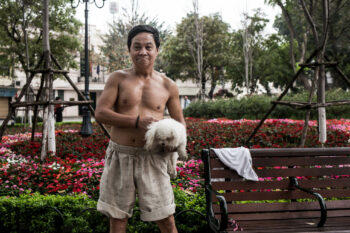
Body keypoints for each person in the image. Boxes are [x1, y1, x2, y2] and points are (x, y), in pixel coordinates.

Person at [95, 25, 185, 233]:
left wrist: (176, 145)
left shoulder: (168, 85)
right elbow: (100, 113)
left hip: (153, 156)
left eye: (148, 46)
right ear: (129, 50)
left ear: (156, 50)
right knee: (117, 219)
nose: (142, 51)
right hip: (121, 154)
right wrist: (136, 121)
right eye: (137, 47)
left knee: (166, 218)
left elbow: (180, 122)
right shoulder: (117, 78)